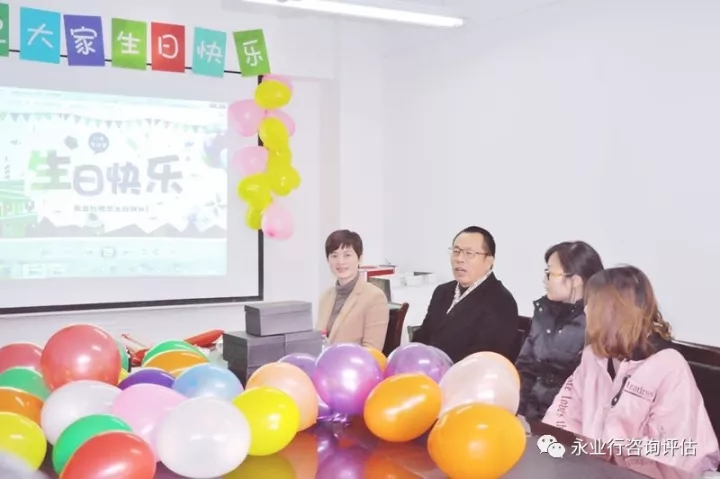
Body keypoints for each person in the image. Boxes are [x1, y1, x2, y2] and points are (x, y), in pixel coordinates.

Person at [543, 266, 720, 475]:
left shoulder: (669, 366)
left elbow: (672, 452)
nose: (586, 310)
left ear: (618, 311)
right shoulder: (593, 356)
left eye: (594, 304)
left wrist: (606, 459)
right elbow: (562, 414)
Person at [516, 241, 604, 421]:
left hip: (567, 420)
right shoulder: (544, 312)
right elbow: (525, 367)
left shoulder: (597, 323)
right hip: (531, 415)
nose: (545, 280)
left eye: (550, 273)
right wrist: (517, 411)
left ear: (576, 280)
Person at [411, 226, 519, 363]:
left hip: (466, 373)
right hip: (428, 370)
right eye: (456, 251)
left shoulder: (502, 302)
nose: (459, 259)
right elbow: (423, 337)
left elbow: (485, 359)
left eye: (469, 253)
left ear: (489, 261)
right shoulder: (442, 291)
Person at [316, 230, 389, 350]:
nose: (340, 261)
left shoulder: (375, 297)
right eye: (334, 255)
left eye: (347, 255)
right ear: (328, 260)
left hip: (354, 362)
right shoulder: (326, 296)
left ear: (360, 258)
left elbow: (372, 351)